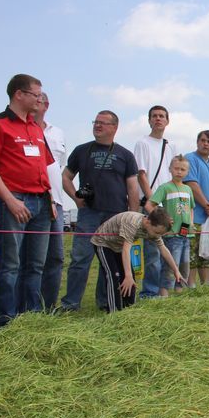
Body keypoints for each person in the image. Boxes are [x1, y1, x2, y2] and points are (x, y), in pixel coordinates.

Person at [0, 74, 54, 328]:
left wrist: (51, 200)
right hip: (15, 200)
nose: (39, 99)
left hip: (41, 201)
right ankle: (5, 321)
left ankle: (29, 317)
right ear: (19, 94)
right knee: (9, 263)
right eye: (36, 94)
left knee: (35, 264)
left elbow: (44, 166)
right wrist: (9, 200)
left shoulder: (35, 127)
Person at [59, 111, 139, 312]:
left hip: (116, 216)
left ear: (114, 127)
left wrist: (133, 216)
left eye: (103, 123)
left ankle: (105, 301)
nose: (97, 126)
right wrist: (76, 198)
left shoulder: (126, 155)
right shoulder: (81, 150)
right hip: (89, 214)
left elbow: (132, 188)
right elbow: (66, 176)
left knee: (109, 262)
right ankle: (70, 304)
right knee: (80, 259)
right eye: (95, 122)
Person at [90, 208, 183, 313]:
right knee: (114, 275)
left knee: (130, 277)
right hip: (104, 243)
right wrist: (127, 275)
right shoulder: (132, 223)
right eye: (157, 232)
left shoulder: (153, 230)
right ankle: (114, 312)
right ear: (148, 222)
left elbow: (163, 249)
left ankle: (129, 308)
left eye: (160, 234)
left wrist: (176, 270)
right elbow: (126, 249)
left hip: (119, 246)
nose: (158, 236)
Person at [135, 105, 178, 298]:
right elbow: (141, 174)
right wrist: (152, 201)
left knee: (168, 248)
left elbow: (176, 175)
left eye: (162, 116)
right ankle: (150, 292)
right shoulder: (142, 143)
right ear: (149, 120)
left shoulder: (171, 146)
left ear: (167, 121)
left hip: (169, 204)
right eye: (154, 116)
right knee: (152, 251)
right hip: (152, 203)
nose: (158, 119)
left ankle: (164, 289)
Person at [33, 93, 67, 311]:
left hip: (57, 201)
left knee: (55, 257)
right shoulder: (20, 129)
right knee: (30, 259)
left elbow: (59, 165)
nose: (36, 104)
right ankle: (28, 306)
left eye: (39, 100)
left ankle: (49, 305)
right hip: (31, 200)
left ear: (46, 105)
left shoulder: (58, 132)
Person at [183, 130, 209, 287]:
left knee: (208, 253)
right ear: (197, 142)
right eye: (203, 140)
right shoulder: (190, 159)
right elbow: (192, 184)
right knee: (191, 254)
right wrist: (207, 205)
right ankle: (191, 286)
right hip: (192, 218)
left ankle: (206, 285)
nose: (205, 143)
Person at [149, 155, 193, 296]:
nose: (179, 172)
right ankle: (164, 295)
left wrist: (191, 222)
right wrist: (162, 220)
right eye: (176, 168)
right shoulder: (165, 187)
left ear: (187, 172)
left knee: (184, 265)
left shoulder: (188, 189)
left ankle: (179, 294)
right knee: (169, 266)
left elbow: (191, 208)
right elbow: (149, 205)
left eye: (183, 169)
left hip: (186, 233)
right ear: (170, 169)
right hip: (171, 235)